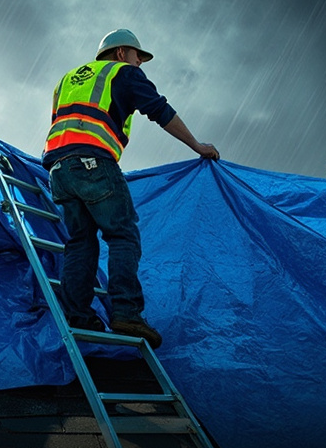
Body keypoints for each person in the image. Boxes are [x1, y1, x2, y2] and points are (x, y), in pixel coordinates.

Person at [42, 29, 219, 348]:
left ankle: (77, 316)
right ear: (122, 52)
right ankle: (126, 313)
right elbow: (160, 111)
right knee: (123, 234)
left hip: (58, 169)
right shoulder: (123, 73)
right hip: (93, 162)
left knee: (80, 241)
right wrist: (196, 145)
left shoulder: (67, 79)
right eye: (139, 57)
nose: (141, 64)